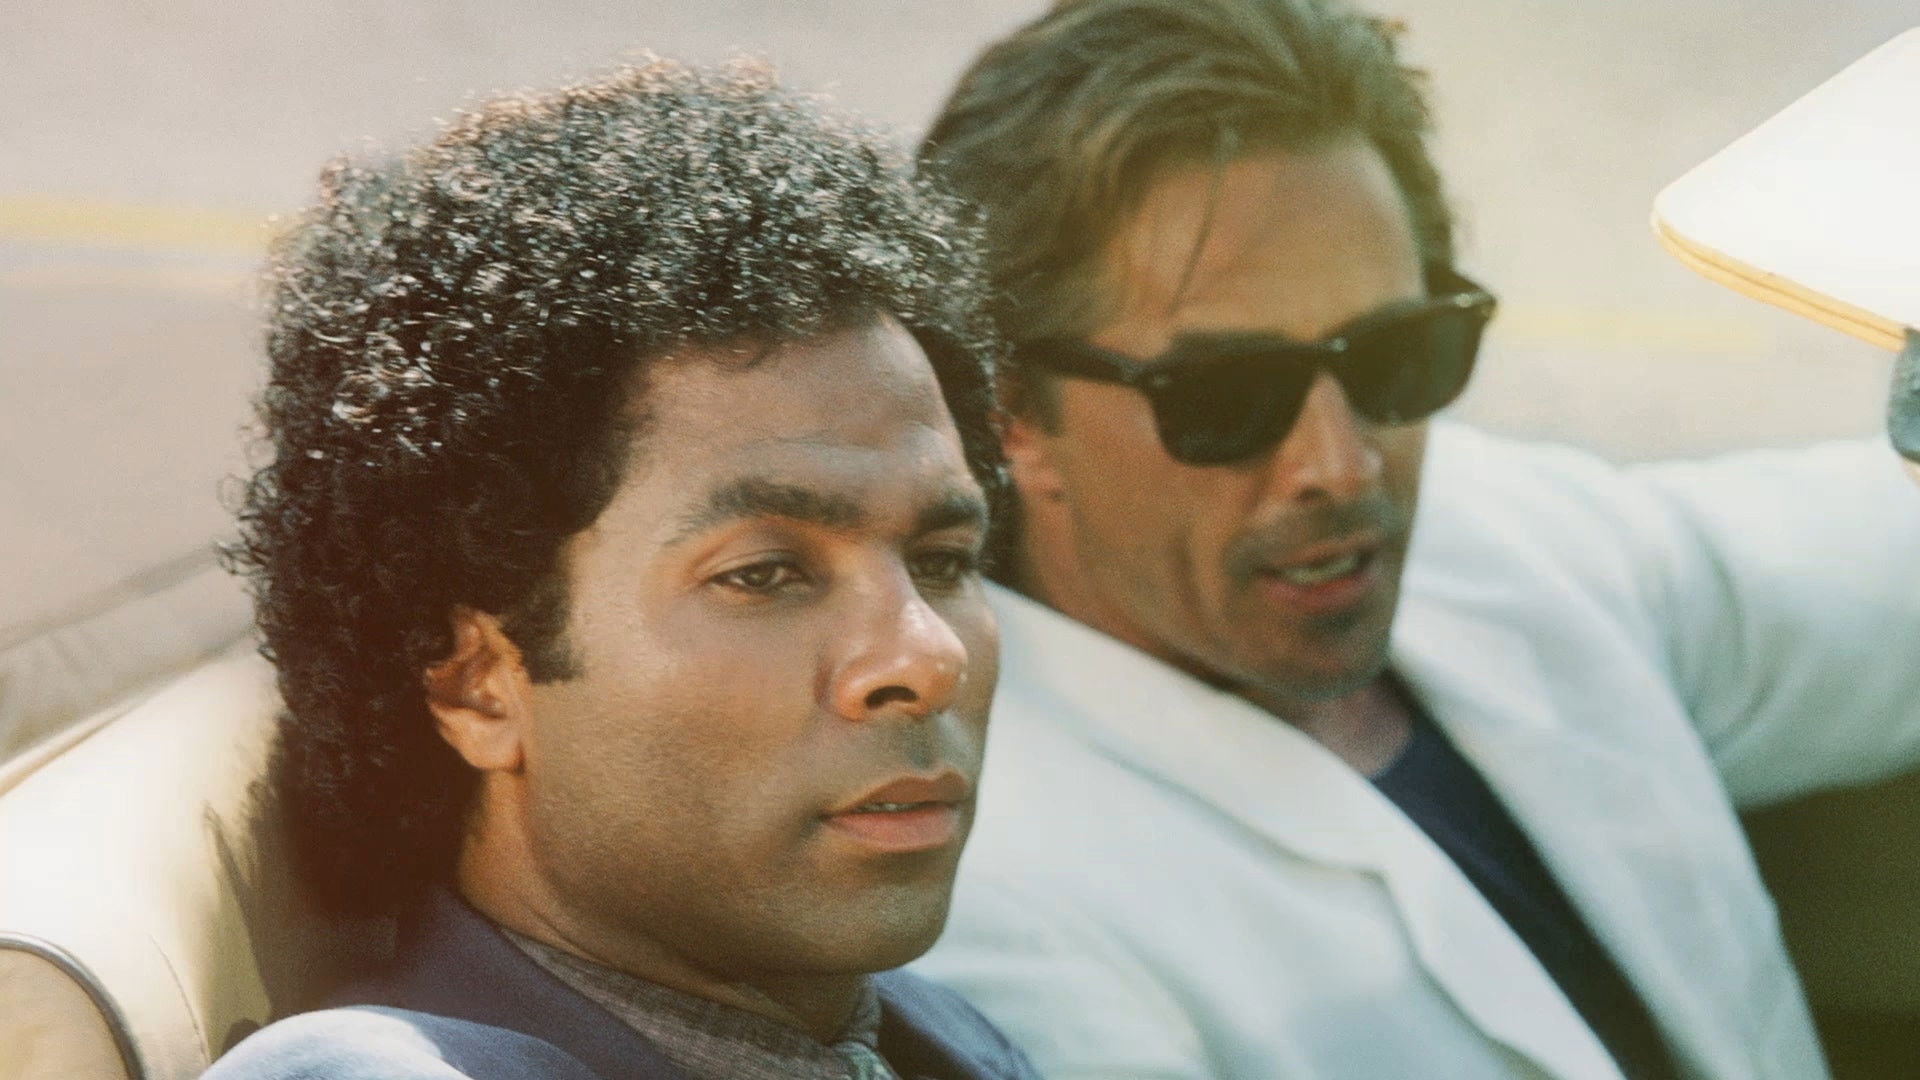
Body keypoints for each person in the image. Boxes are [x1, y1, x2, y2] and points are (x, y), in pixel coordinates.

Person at [907, 2, 1920, 1077]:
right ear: (1008, 410)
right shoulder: (987, 907)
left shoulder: (1503, 533)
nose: (1341, 463)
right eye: (1227, 393)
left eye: (1399, 356)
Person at [205, 58, 1035, 1080]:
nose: (928, 655)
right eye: (765, 574)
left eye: (943, 560)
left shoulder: (934, 1041)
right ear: (477, 683)